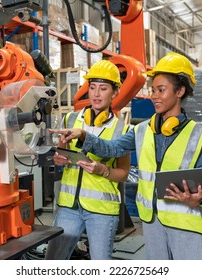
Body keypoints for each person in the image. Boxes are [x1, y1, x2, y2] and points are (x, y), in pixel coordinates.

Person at [52, 52, 202, 260]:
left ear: (180, 91)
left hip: (185, 224)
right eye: (153, 90)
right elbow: (111, 149)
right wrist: (84, 136)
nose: (154, 96)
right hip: (152, 222)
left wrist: (198, 198)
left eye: (161, 90)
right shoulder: (142, 130)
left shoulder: (199, 136)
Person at [45, 60, 131, 260]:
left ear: (115, 92)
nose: (96, 94)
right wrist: (58, 158)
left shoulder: (122, 130)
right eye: (92, 87)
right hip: (68, 207)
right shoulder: (70, 120)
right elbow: (62, 153)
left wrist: (103, 170)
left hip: (101, 211)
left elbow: (124, 173)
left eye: (103, 88)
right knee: (52, 262)